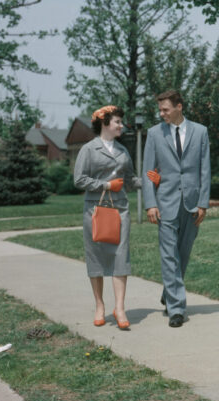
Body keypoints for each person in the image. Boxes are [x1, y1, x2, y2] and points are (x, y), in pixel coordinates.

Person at [142, 90, 211, 328]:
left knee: (183, 253)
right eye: (160, 110)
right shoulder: (153, 134)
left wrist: (203, 202)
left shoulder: (200, 132)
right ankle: (177, 309)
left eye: (166, 109)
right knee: (169, 254)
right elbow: (148, 170)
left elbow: (205, 169)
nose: (162, 114)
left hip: (192, 202)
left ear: (179, 107)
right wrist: (150, 203)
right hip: (165, 202)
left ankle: (168, 292)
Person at [74, 105, 141, 330]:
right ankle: (100, 306)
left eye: (121, 122)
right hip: (95, 210)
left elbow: (130, 180)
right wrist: (105, 185)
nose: (121, 125)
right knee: (96, 257)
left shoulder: (123, 150)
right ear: (104, 124)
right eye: (117, 122)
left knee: (121, 256)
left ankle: (119, 308)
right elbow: (79, 179)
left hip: (120, 209)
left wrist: (152, 181)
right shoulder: (88, 149)